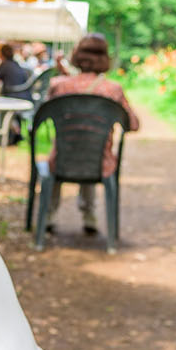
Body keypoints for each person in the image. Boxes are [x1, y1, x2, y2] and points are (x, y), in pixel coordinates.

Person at [41, 32, 140, 236]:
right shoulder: (113, 89)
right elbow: (133, 125)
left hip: (61, 160)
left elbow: (39, 118)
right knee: (93, 148)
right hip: (99, 163)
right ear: (105, 59)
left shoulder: (59, 85)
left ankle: (49, 214)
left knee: (66, 149)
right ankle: (89, 216)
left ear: (77, 56)